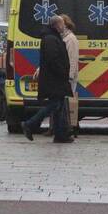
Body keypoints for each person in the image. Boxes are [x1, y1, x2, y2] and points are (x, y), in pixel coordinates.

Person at [22, 15, 72, 143]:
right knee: (54, 104)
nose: (64, 26)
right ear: (57, 25)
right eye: (62, 24)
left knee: (59, 105)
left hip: (55, 78)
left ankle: (60, 135)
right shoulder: (50, 39)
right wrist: (62, 71)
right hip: (54, 79)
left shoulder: (53, 37)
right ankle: (30, 124)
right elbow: (53, 59)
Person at [61, 15, 80, 94]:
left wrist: (70, 76)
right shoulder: (63, 37)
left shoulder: (70, 39)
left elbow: (73, 58)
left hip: (67, 77)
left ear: (65, 25)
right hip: (63, 75)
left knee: (67, 98)